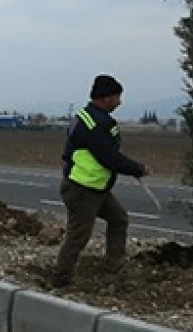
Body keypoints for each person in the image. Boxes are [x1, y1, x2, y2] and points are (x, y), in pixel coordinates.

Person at [53, 74, 151, 287]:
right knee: (78, 237)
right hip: (82, 190)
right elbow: (110, 158)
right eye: (117, 97)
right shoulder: (96, 124)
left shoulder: (85, 117)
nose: (120, 102)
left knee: (119, 218)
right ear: (106, 98)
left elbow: (70, 150)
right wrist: (139, 169)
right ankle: (61, 280)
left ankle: (113, 268)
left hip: (96, 187)